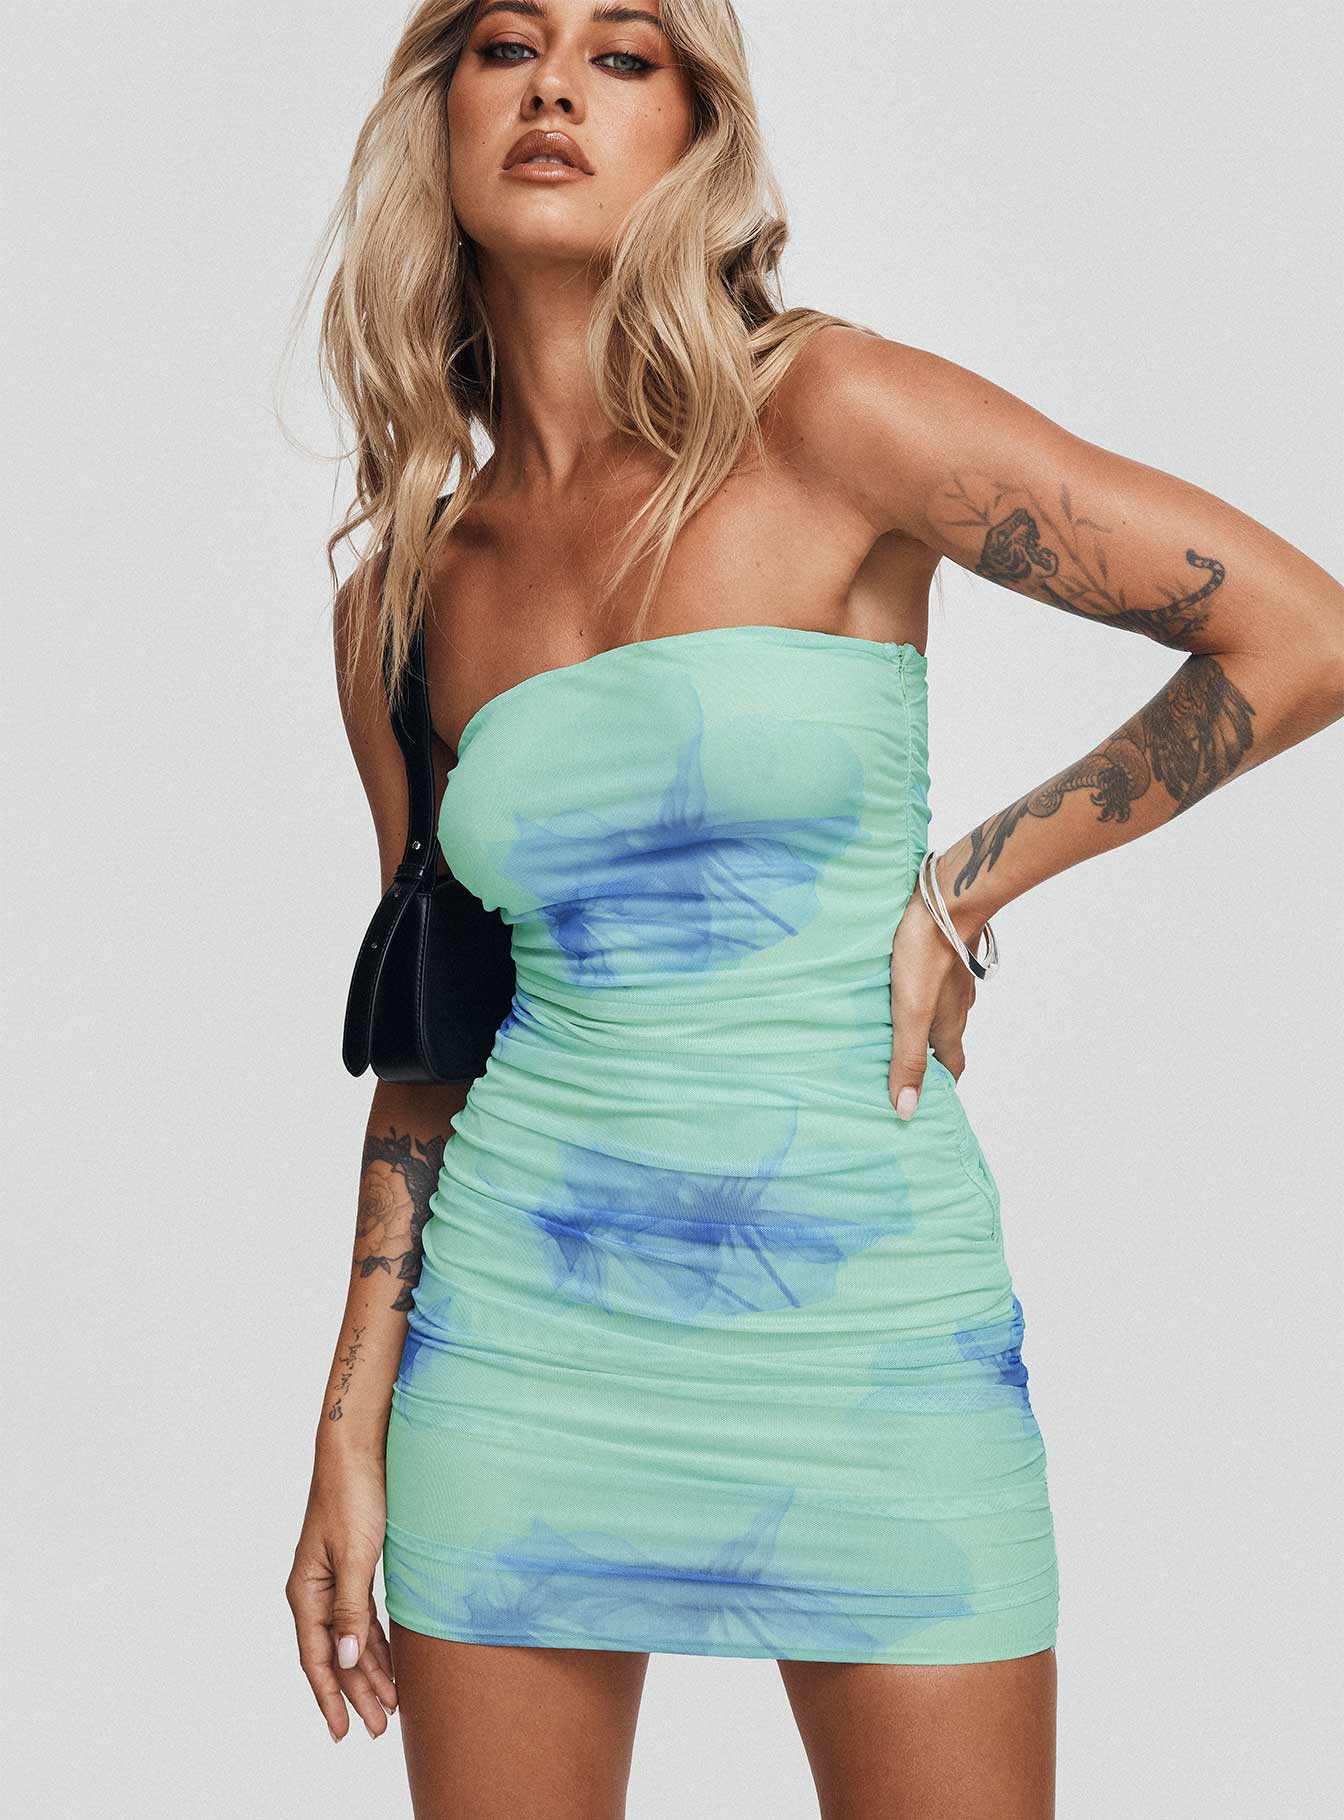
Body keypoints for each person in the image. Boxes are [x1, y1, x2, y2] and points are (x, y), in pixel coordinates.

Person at [284, 3, 1344, 1814]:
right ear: (439, 116)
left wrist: (970, 880)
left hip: (875, 1344)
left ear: (695, 126)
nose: (557, 87)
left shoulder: (829, 416)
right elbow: (433, 1042)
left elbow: (1296, 631)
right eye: (508, 45)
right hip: (523, 1365)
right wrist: (349, 1426)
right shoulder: (406, 593)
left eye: (624, 53)